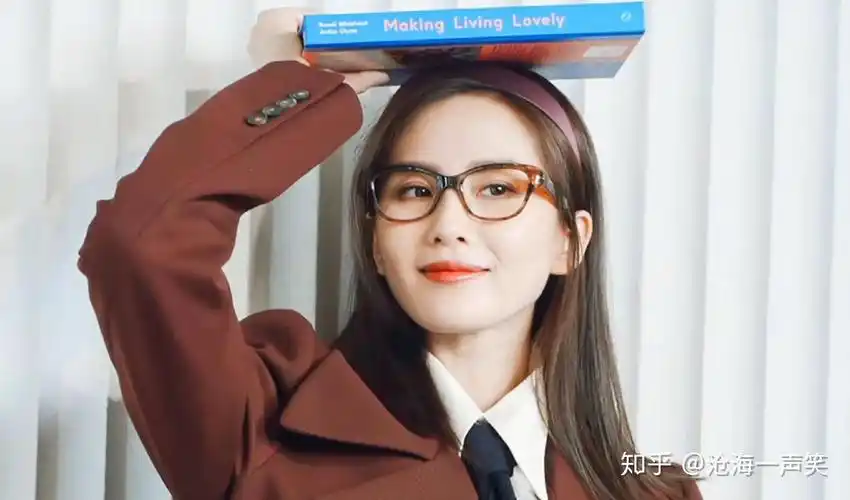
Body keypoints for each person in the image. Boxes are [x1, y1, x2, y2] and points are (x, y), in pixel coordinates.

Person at [78, 8, 703, 500]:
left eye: (498, 188)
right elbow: (140, 246)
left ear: (572, 239)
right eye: (415, 190)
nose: (449, 224)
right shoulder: (264, 433)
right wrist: (296, 90)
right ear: (376, 241)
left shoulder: (653, 493)